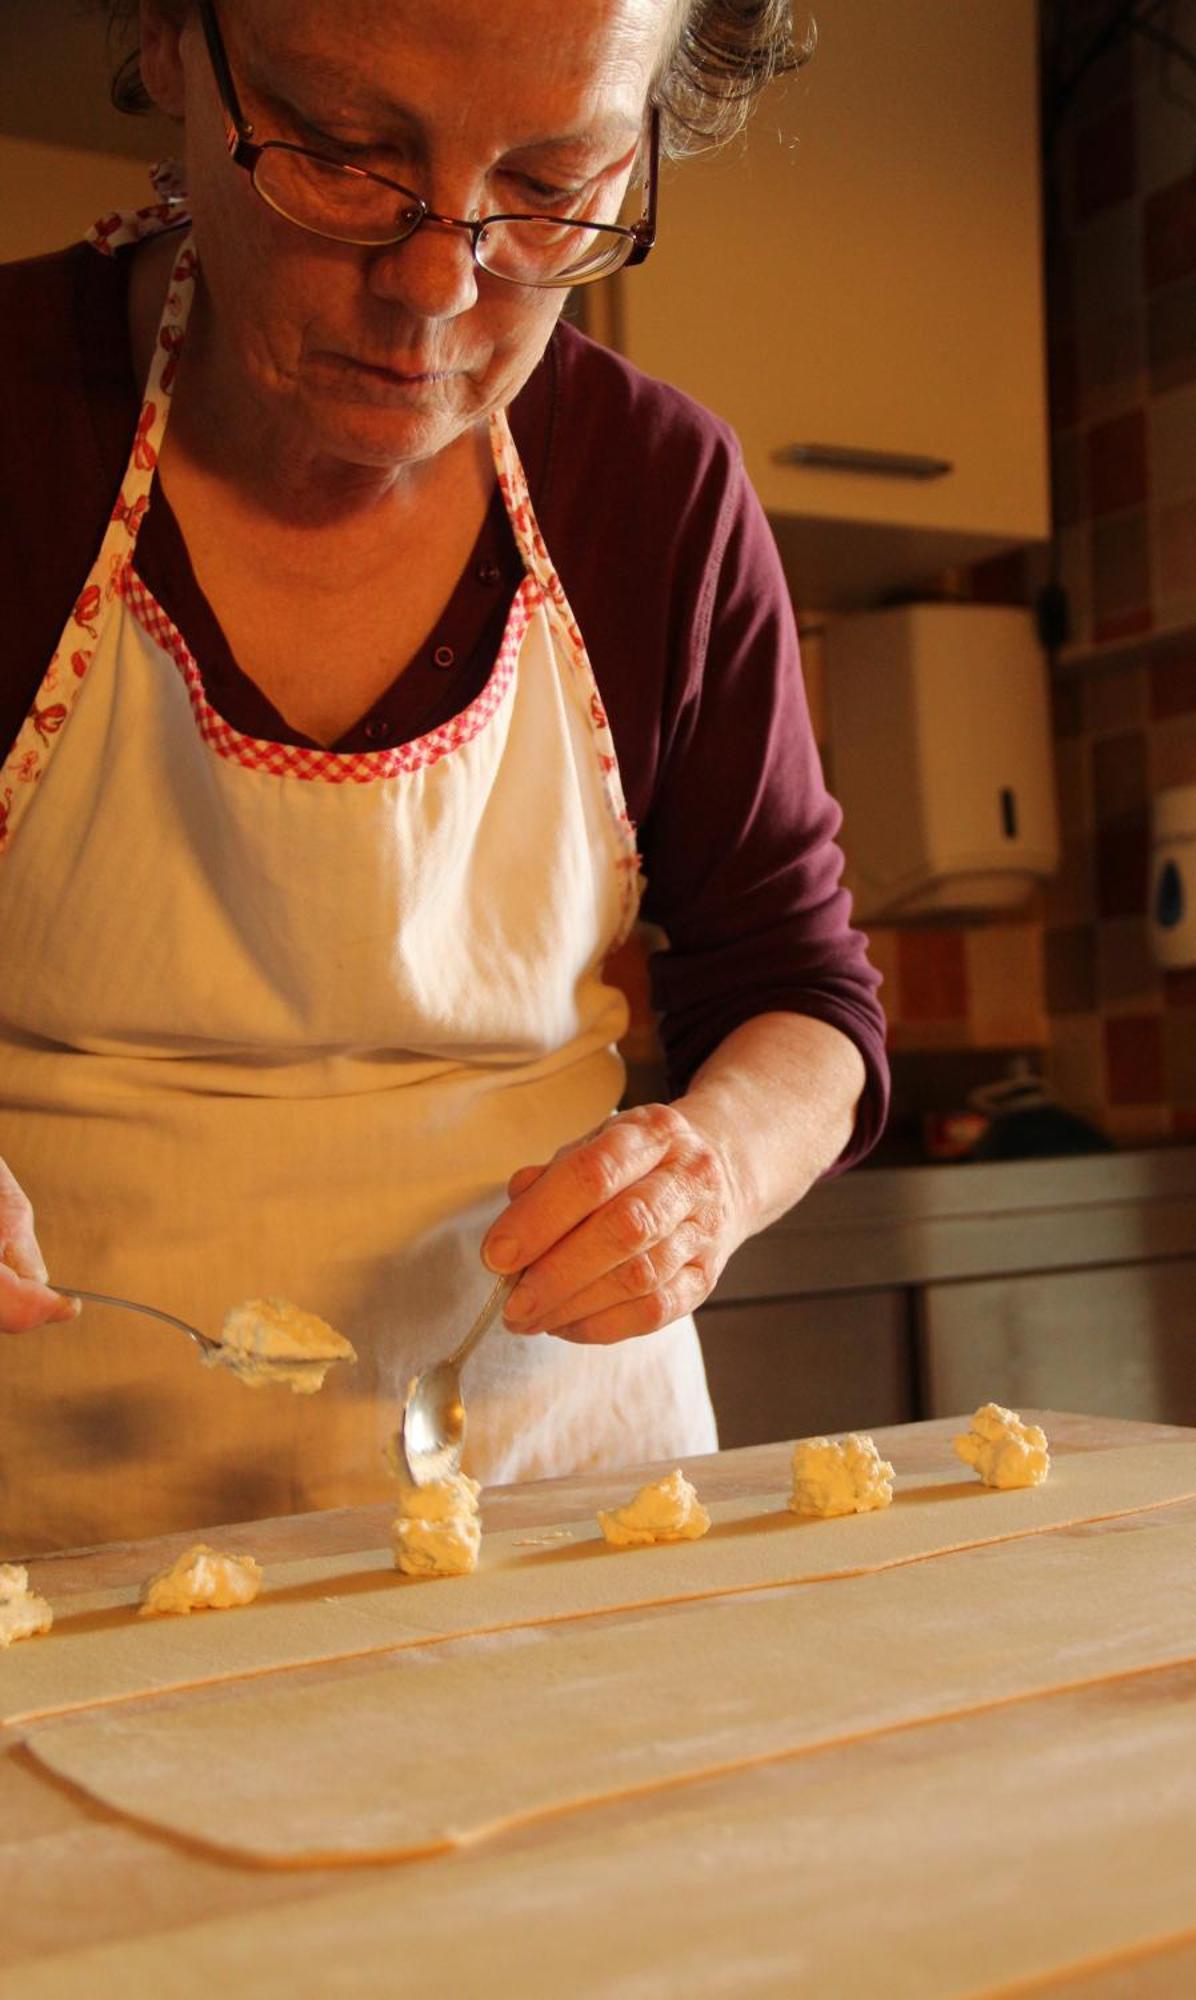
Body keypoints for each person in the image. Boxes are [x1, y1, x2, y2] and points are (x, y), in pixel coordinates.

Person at [0, 0, 888, 1554]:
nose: (433, 291)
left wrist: (710, 1168)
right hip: (49, 1519)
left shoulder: (659, 493)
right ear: (167, 44)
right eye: (342, 156)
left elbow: (803, 995)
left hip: (556, 1485)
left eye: (551, 188)